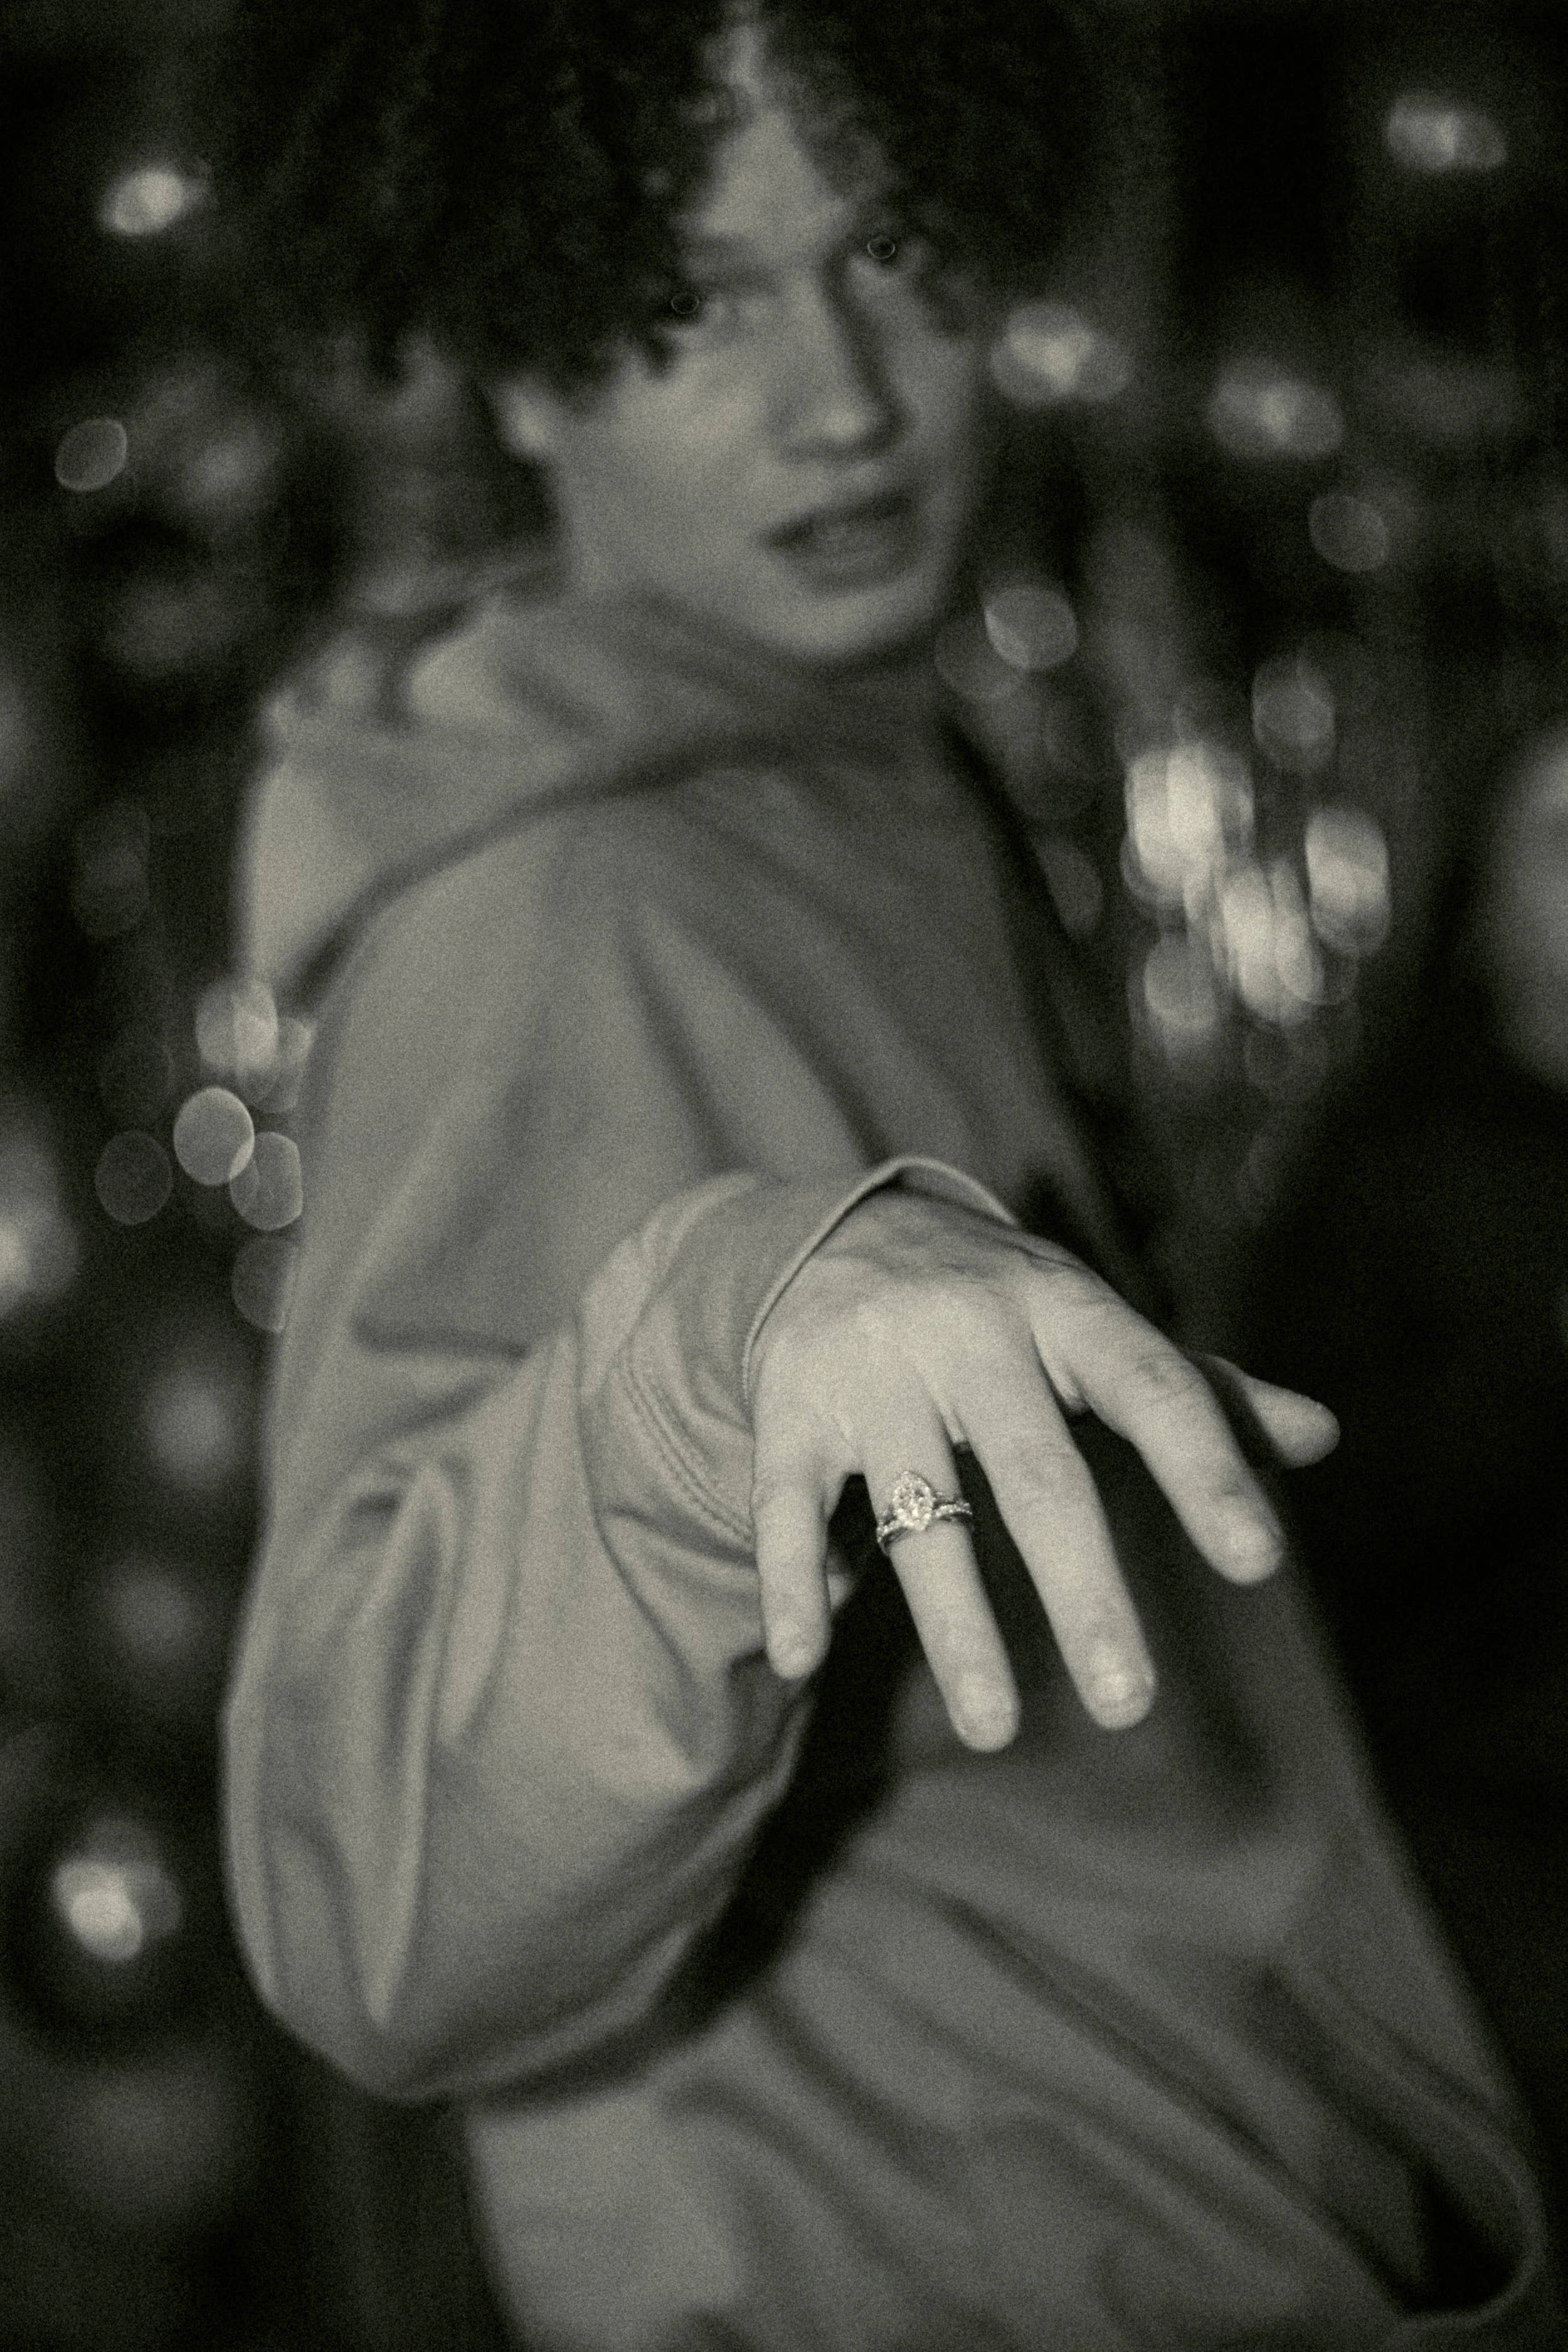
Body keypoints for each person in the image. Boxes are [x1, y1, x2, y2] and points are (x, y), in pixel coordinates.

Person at [209, 3, 1564, 2342]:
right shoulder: (563, 911)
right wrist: (726, 1344)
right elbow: (371, 1911)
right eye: (699, 303)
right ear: (521, 364)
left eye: (896, 257)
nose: (839, 398)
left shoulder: (846, 766)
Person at [1237, 721, 1568, 2250]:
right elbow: (1310, 1525)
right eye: (1561, 837)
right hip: (1477, 1840)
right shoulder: (1391, 1166)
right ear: (1481, 894)